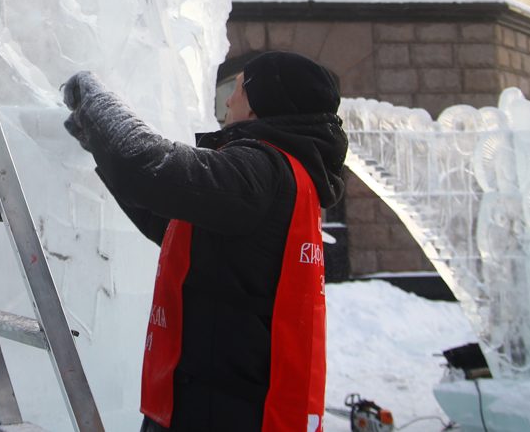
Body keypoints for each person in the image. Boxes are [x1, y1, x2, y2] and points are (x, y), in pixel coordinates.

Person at [62, 51, 348, 432]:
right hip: (223, 400)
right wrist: (101, 145)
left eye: (240, 89)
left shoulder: (261, 168)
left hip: (220, 410)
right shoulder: (286, 176)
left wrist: (95, 100)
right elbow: (170, 223)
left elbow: (152, 169)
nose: (228, 99)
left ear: (262, 105)